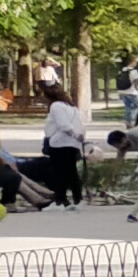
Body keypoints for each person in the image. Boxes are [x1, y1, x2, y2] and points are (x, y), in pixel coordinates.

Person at [34, 76, 86, 207]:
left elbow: (64, 125)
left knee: (58, 172)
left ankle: (61, 199)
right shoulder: (72, 106)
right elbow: (78, 124)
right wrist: (79, 136)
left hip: (59, 143)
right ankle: (77, 197)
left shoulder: (56, 106)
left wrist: (72, 133)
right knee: (71, 171)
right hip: (73, 143)